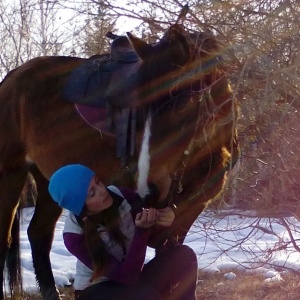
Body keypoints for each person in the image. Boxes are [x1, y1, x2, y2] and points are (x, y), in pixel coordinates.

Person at [48, 164, 198, 300]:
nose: (102, 191)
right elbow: (126, 277)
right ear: (81, 207)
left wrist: (167, 217)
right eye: (92, 193)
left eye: (98, 181)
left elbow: (155, 241)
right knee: (145, 295)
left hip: (133, 282)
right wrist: (142, 230)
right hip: (96, 291)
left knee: (184, 256)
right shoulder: (74, 236)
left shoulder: (122, 195)